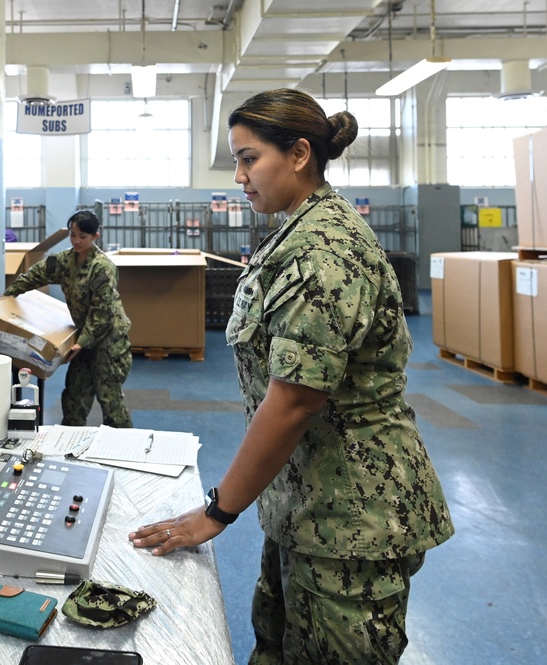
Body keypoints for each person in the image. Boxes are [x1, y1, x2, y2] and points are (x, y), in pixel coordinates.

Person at [128, 88, 454, 664]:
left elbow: (295, 402)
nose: (239, 175)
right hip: (308, 505)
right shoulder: (295, 233)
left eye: (249, 158)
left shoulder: (327, 251)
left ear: (299, 154)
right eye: (237, 160)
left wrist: (216, 512)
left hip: (354, 517)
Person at [3, 210, 134, 428]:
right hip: (82, 340)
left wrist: (82, 343)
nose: (76, 241)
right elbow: (36, 274)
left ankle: (122, 449)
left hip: (108, 342)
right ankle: (68, 447)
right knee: (74, 398)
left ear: (95, 237)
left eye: (82, 236)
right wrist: (9, 295)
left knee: (110, 402)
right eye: (73, 235)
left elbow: (103, 313)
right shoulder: (65, 260)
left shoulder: (102, 267)